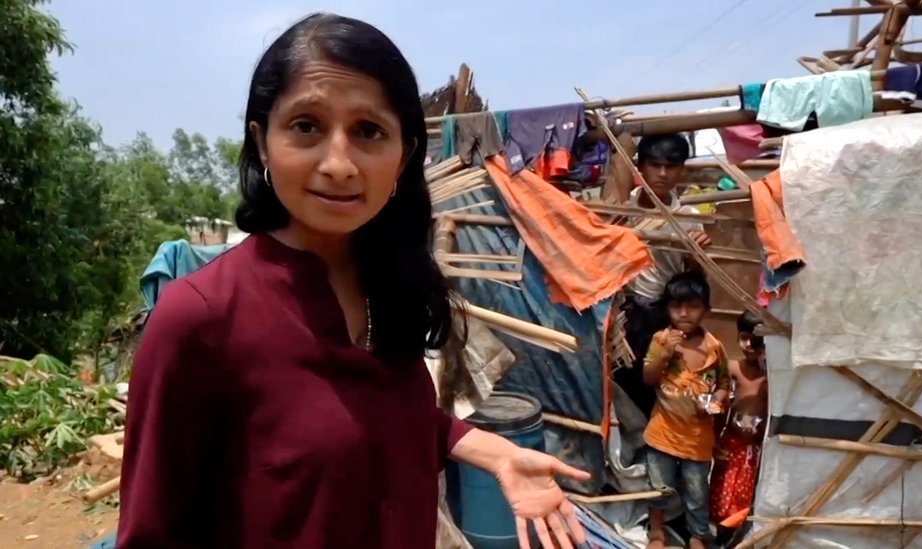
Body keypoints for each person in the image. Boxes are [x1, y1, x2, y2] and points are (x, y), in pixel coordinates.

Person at [117, 14, 588, 549]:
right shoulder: (200, 318)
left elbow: (374, 420)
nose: (339, 163)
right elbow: (151, 531)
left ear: (404, 154)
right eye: (306, 126)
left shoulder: (393, 285)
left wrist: (488, 448)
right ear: (262, 140)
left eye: (368, 131)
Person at [615, 134, 712, 417]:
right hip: (625, 312)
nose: (662, 174)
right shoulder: (620, 208)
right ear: (640, 167)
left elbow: (695, 279)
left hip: (665, 313)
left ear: (682, 170)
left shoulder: (687, 214)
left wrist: (696, 255)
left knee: (668, 386)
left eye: (671, 166)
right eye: (654, 165)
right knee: (625, 384)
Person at [642, 272, 730, 549]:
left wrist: (717, 399)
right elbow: (648, 377)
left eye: (692, 306)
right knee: (659, 488)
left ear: (706, 310)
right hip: (662, 433)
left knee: (696, 492)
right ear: (667, 308)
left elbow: (724, 383)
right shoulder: (661, 339)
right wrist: (666, 354)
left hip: (698, 439)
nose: (683, 313)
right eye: (676, 306)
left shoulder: (715, 348)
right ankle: (657, 530)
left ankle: (698, 534)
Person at [710, 311, 768, 544]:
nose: (748, 345)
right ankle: (720, 534)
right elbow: (719, 408)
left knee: (747, 496)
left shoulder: (772, 378)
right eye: (743, 337)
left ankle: (737, 535)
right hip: (732, 444)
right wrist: (714, 441)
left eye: (756, 340)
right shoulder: (733, 368)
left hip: (757, 450)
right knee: (723, 489)